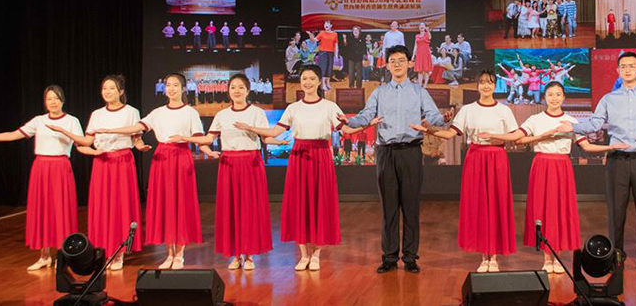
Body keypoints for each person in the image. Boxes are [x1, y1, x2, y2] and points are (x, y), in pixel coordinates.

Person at [482, 82, 629, 272]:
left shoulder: (570, 121)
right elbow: (519, 138)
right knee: (543, 211)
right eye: (550, 94)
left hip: (562, 166)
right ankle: (546, 258)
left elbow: (586, 146)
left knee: (560, 209)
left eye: (558, 94)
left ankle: (557, 256)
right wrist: (541, 136)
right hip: (542, 165)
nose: (554, 98)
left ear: (564, 97)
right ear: (544, 97)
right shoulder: (536, 119)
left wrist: (611, 147)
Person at [238, 65, 370, 271]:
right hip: (299, 156)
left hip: (320, 156)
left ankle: (316, 253)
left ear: (319, 81)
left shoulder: (329, 106)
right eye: (304, 79)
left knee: (319, 203)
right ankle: (303, 254)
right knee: (299, 203)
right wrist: (250, 128)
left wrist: (368, 124)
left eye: (311, 79)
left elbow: (347, 129)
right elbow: (274, 131)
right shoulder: (293, 108)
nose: (307, 82)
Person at [558, 52, 636, 276]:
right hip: (617, 161)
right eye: (623, 66)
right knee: (616, 212)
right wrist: (571, 126)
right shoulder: (609, 99)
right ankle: (615, 258)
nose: (627, 70)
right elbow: (594, 124)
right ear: (617, 71)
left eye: (632, 66)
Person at [340, 45, 450, 274]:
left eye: (402, 60)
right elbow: (366, 115)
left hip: (411, 151)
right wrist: (348, 121)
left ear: (410, 64)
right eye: (393, 60)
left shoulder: (419, 92)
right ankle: (389, 257)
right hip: (386, 153)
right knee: (389, 207)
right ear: (387, 65)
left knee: (410, 207)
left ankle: (410, 257)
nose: (397, 64)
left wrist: (442, 118)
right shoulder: (379, 92)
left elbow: (432, 116)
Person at [0, 86, 85, 271]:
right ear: (45, 102)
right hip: (41, 168)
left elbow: (81, 143)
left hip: (60, 168)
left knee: (61, 210)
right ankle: (44, 256)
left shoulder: (72, 121)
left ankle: (63, 255)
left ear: (63, 100)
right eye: (49, 99)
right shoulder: (39, 120)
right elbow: (13, 134)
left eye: (56, 98)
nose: (52, 102)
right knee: (42, 209)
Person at [93, 73, 204, 270]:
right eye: (168, 85)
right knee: (165, 204)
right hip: (161, 159)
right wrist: (112, 131)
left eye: (175, 85)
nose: (171, 88)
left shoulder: (190, 112)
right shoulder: (157, 112)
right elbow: (137, 128)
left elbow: (200, 138)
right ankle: (169, 253)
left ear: (184, 89)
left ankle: (180, 253)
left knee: (180, 203)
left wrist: (206, 149)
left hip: (181, 157)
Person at [414, 71, 518, 272]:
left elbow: (515, 136)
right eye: (482, 83)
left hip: (497, 158)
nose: (486, 86)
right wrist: (428, 130)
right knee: (479, 204)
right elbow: (450, 133)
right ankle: (483, 257)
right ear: (477, 86)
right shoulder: (468, 110)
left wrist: (496, 136)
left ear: (495, 85)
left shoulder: (504, 110)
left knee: (495, 204)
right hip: (475, 158)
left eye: (490, 82)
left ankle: (494, 256)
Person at [48, 75, 149, 270]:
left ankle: (118, 253)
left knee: (120, 206)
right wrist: (69, 134)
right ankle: (102, 249)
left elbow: (136, 138)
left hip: (122, 162)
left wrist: (141, 146)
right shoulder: (96, 114)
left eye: (112, 88)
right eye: (104, 88)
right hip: (101, 163)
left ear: (121, 91)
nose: (107, 92)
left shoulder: (131, 112)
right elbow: (85, 143)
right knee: (102, 206)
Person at [193, 75, 289, 270]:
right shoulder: (222, 115)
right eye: (233, 87)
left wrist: (278, 142)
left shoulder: (256, 112)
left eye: (241, 88)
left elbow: (266, 138)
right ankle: (235, 255)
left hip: (251, 162)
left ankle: (250, 254)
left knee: (249, 207)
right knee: (231, 208)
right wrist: (200, 145)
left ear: (247, 90)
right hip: (228, 163)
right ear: (228, 91)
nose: (236, 91)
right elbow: (208, 139)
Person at [315, 21, 338, 92]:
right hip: (323, 52)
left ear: (331, 25)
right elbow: (315, 40)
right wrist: (311, 36)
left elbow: (336, 45)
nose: (325, 25)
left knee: (329, 68)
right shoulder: (322, 33)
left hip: (331, 52)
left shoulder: (335, 34)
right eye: (325, 24)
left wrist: (336, 54)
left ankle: (328, 83)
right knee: (323, 68)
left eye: (327, 24)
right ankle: (322, 84)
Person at [412, 22, 434, 87]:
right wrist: (413, 54)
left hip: (426, 54)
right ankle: (419, 84)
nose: (421, 26)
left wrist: (427, 30)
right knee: (420, 70)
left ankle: (425, 85)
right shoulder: (417, 36)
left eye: (423, 25)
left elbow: (430, 37)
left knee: (426, 70)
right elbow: (415, 45)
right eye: (420, 25)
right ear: (419, 27)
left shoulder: (427, 34)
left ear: (424, 27)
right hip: (419, 54)